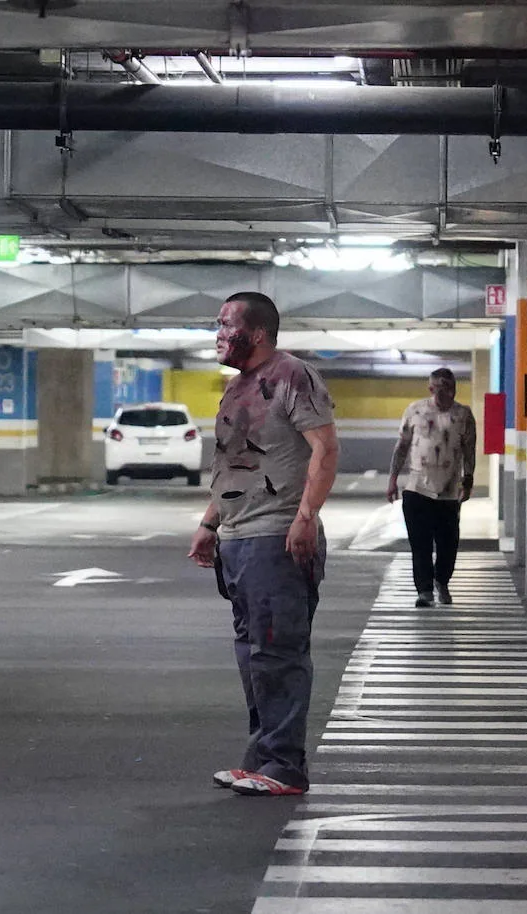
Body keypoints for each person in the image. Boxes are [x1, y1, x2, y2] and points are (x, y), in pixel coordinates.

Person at [187, 291, 339, 798]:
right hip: (237, 538)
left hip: (276, 537)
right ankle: (261, 756)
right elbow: (233, 463)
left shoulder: (293, 375)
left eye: (224, 324)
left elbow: (326, 447)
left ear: (255, 333)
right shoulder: (237, 389)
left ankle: (285, 766)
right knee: (253, 656)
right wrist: (211, 524)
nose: (217, 333)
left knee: (279, 654)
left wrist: (306, 517)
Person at [386, 367, 477, 607]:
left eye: (450, 388)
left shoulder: (464, 415)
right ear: (431, 388)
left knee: (448, 544)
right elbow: (402, 447)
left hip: (448, 492)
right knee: (420, 543)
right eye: (440, 388)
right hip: (416, 488)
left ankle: (442, 580)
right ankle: (424, 590)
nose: (445, 393)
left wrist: (468, 481)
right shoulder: (415, 411)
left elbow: (469, 452)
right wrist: (392, 479)